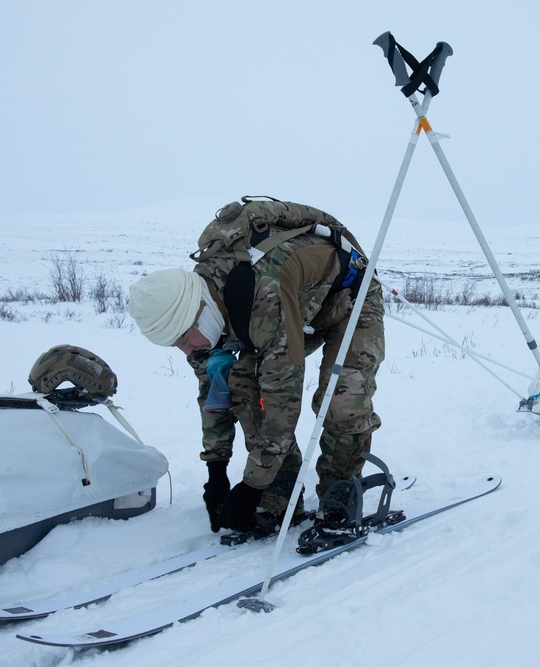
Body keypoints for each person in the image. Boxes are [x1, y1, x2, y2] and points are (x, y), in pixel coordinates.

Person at [128, 198, 385, 536]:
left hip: (350, 297)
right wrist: (216, 471)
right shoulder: (199, 308)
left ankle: (340, 491)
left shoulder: (263, 297)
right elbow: (214, 394)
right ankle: (282, 487)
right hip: (300, 305)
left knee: (341, 402)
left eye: (183, 338)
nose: (186, 350)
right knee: (241, 383)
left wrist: (249, 487)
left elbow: (283, 406)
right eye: (174, 344)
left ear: (198, 314)